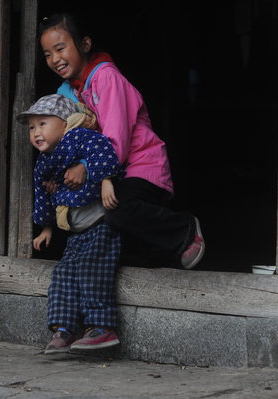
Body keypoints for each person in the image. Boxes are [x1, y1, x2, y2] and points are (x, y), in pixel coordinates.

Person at [38, 13, 205, 269]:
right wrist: (58, 174)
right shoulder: (68, 92)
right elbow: (66, 140)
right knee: (93, 219)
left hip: (142, 165)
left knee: (119, 212)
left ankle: (184, 228)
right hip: (110, 174)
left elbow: (116, 141)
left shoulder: (107, 78)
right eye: (48, 54)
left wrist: (84, 167)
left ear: (84, 44)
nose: (55, 59)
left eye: (60, 48)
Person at [17, 93, 123, 355]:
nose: (36, 132)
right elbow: (42, 196)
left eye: (43, 124)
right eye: (32, 127)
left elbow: (102, 147)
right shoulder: (43, 163)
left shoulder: (76, 138)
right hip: (76, 233)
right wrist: (46, 228)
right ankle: (63, 329)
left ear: (64, 124)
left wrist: (107, 180)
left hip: (99, 224)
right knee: (62, 275)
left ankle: (101, 327)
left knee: (92, 270)